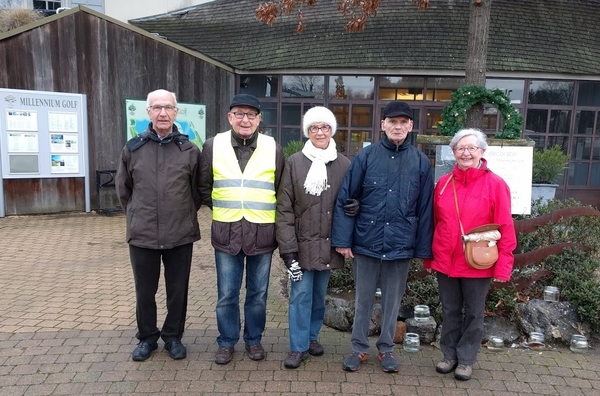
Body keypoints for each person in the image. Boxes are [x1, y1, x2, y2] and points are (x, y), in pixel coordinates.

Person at [332, 100, 434, 373]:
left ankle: (386, 349)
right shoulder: (365, 157)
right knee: (363, 298)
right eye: (392, 121)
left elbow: (426, 208)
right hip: (367, 241)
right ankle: (358, 348)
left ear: (411, 126)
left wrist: (423, 250)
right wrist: (343, 241)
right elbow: (346, 198)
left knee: (392, 301)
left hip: (401, 244)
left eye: (403, 122)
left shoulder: (421, 162)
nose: (397, 127)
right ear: (383, 125)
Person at [115, 89, 202, 362]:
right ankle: (147, 338)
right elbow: (123, 190)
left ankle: (173, 337)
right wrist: (138, 216)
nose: (163, 112)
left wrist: (182, 213)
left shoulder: (189, 150)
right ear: (148, 112)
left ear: (177, 112)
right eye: (157, 107)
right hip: (143, 235)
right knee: (145, 291)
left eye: (168, 107)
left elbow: (197, 192)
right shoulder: (132, 149)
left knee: (178, 291)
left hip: (180, 233)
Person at [423, 128, 516, 381]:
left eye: (471, 148)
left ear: (482, 152)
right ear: (453, 153)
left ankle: (466, 359)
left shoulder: (496, 184)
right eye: (460, 148)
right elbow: (433, 222)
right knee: (450, 310)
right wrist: (429, 258)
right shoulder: (443, 184)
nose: (466, 153)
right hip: (445, 260)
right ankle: (449, 355)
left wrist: (503, 266)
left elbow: (505, 226)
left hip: (478, 261)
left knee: (474, 313)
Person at [200, 93, 285, 365]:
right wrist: (224, 212)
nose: (245, 119)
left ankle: (253, 340)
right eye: (239, 113)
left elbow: (281, 189)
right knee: (227, 294)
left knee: (258, 294)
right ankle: (226, 342)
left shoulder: (273, 147)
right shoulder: (213, 146)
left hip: (262, 233)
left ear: (259, 119)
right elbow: (204, 187)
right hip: (226, 232)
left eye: (251, 114)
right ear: (230, 117)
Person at [276, 106, 352, 369]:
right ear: (308, 131)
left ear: (332, 130)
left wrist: (356, 207)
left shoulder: (343, 163)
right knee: (300, 295)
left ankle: (311, 337)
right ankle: (298, 347)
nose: (320, 132)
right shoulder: (294, 162)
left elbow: (351, 201)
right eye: (314, 128)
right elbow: (284, 208)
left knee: (319, 296)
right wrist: (288, 250)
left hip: (330, 244)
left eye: (325, 127)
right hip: (301, 244)